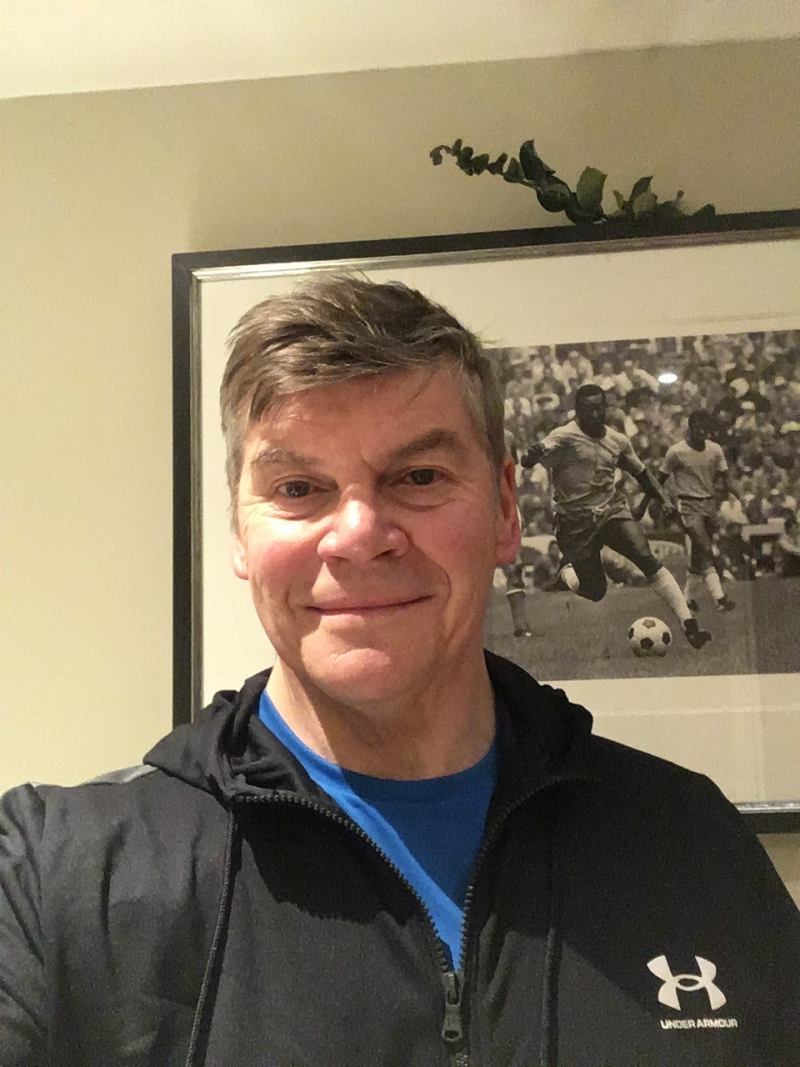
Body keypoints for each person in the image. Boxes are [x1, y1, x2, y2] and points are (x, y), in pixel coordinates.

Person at [1, 277, 798, 1067]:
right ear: (239, 531)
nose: (358, 534)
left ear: (506, 508)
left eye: (418, 477)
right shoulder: (55, 874)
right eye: (297, 487)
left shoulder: (692, 839)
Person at [521, 384, 712, 649]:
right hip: (574, 521)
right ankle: (566, 574)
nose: (595, 414)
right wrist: (531, 456)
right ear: (577, 411)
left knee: (644, 556)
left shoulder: (617, 441)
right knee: (595, 591)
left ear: (607, 408)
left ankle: (689, 624)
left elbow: (643, 475)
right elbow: (531, 457)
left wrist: (664, 500)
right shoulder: (563, 436)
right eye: (589, 409)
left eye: (600, 408)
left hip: (611, 509)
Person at [660, 411, 738, 613]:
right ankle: (719, 598)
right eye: (698, 429)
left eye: (705, 429)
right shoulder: (676, 452)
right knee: (704, 547)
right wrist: (663, 501)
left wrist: (737, 495)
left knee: (697, 555)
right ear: (690, 428)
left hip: (708, 505)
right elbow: (659, 480)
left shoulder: (714, 449)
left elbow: (726, 477)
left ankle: (687, 598)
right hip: (688, 505)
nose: (702, 433)